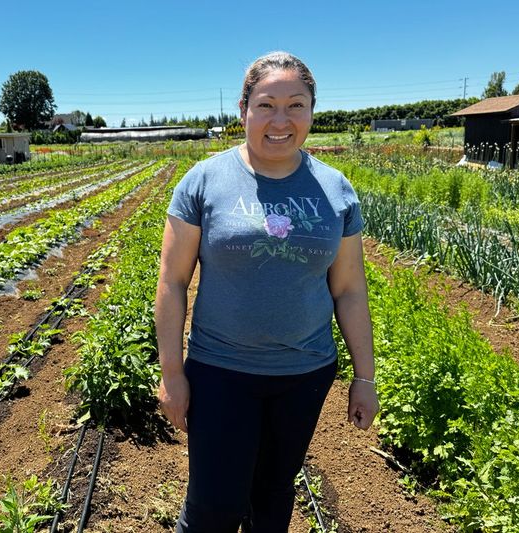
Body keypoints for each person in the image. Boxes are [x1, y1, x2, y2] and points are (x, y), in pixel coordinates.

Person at [155, 51, 379, 532]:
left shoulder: (336, 189)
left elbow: (350, 290)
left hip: (304, 374)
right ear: (244, 110)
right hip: (220, 372)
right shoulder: (204, 182)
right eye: (266, 105)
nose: (281, 120)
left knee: (274, 496)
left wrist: (365, 376)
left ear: (312, 111)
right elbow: (172, 282)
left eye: (296, 105)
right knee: (213, 506)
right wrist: (172, 373)